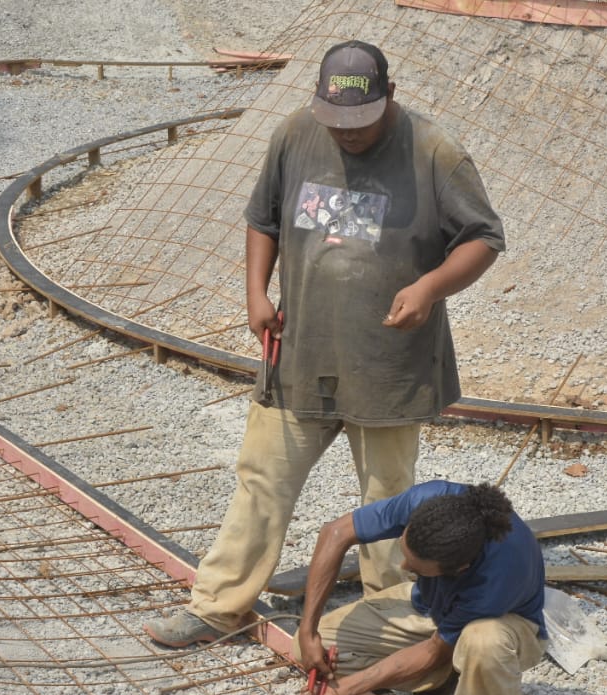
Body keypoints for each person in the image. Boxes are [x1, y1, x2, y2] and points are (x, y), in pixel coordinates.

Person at [145, 40, 505, 647]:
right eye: (335, 121)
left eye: (360, 121)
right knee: (262, 479)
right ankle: (217, 607)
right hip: (300, 354)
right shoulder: (294, 135)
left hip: (390, 364)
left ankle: (386, 624)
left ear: (391, 96)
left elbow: (483, 238)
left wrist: (430, 287)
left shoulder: (433, 151)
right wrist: (256, 294)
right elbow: (262, 219)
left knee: (388, 499)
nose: (347, 133)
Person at [295, 481, 545, 695]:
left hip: (504, 625)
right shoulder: (427, 501)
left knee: (482, 642)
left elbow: (433, 652)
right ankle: (446, 681)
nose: (403, 568)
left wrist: (341, 691)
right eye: (405, 555)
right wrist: (308, 630)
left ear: (459, 569)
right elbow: (336, 532)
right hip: (430, 606)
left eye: (415, 568)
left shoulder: (499, 576)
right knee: (309, 649)